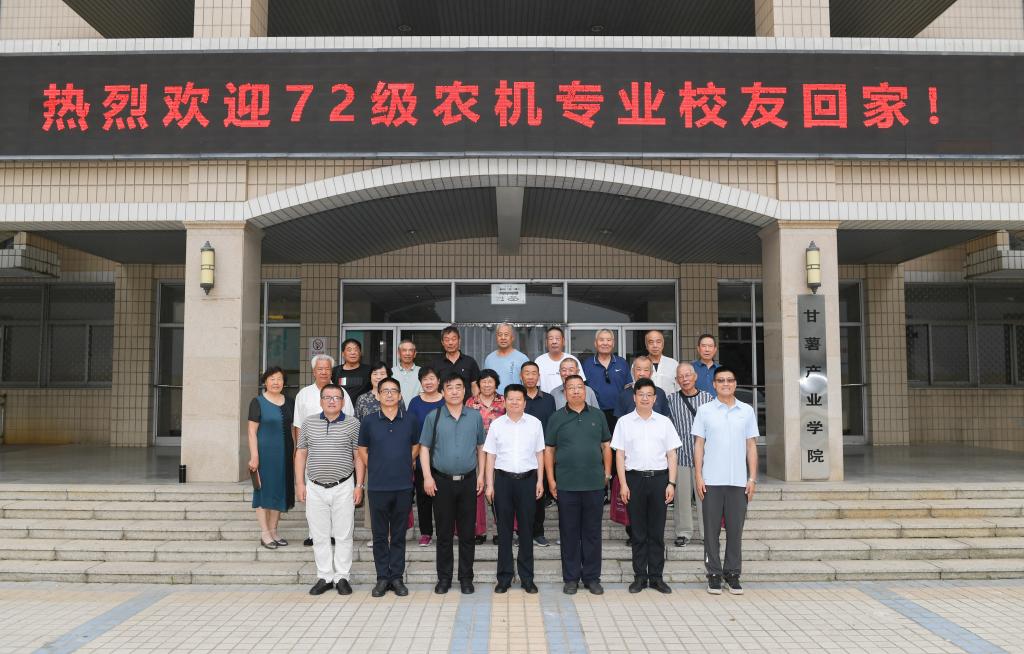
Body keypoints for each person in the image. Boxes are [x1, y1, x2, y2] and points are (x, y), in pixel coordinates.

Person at [692, 366, 759, 596]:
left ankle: (732, 574)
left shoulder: (746, 411)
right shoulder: (705, 411)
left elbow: (751, 446)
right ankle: (713, 574)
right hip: (711, 480)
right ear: (714, 384)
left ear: (735, 383)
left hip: (738, 481)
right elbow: (699, 445)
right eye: (721, 380)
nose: (725, 384)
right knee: (711, 532)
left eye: (730, 380)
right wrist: (698, 475)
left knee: (735, 531)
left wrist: (752, 478)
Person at [418, 372, 486, 595]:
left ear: (465, 391)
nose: (454, 391)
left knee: (467, 533)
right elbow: (424, 448)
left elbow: (480, 447)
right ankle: (444, 578)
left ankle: (466, 578)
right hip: (441, 482)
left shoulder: (474, 416)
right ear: (443, 391)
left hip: (468, 481)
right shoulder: (434, 416)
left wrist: (481, 475)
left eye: (458, 387)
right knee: (444, 533)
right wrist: (427, 477)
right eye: (450, 387)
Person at [612, 378, 681, 594]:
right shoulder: (624, 422)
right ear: (634, 397)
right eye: (641, 394)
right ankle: (640, 577)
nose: (645, 398)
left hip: (659, 480)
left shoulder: (664, 422)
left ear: (655, 398)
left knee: (657, 532)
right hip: (634, 480)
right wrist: (623, 484)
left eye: (649, 395)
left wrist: (671, 483)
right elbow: (619, 455)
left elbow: (672, 455)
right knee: (638, 532)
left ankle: (657, 577)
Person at [545, 375, 612, 596]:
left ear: (585, 391)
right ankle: (571, 578)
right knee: (569, 533)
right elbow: (549, 450)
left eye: (579, 387)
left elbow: (606, 446)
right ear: (564, 392)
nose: (575, 391)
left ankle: (592, 578)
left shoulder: (598, 415)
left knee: (592, 533)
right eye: (571, 388)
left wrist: (607, 474)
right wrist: (551, 480)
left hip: (594, 484)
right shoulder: (556, 417)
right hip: (566, 485)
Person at [295, 384, 364, 596]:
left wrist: (359, 485)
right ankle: (324, 576)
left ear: (343, 402)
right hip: (315, 487)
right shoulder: (309, 423)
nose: (332, 401)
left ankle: (342, 576)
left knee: (344, 534)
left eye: (336, 397)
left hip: (343, 486)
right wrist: (300, 483)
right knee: (319, 535)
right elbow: (301, 453)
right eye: (327, 397)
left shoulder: (353, 423)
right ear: (321, 401)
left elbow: (358, 456)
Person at [357, 376, 419, 598]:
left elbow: (416, 446)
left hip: (403, 486)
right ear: (379, 395)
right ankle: (382, 577)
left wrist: (404, 462)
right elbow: (362, 449)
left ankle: (397, 578)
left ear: (400, 395)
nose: (390, 394)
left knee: (399, 535)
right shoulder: (369, 421)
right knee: (380, 535)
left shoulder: (410, 419)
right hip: (377, 486)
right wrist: (374, 465)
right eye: (385, 391)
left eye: (394, 391)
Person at [484, 384, 545, 594]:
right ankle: (504, 578)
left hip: (528, 481)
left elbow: (540, 454)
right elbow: (490, 456)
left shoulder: (535, 424)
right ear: (505, 401)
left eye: (519, 399)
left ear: (524, 402)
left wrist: (540, 481)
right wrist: (489, 484)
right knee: (504, 532)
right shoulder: (497, 425)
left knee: (527, 530)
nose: (515, 402)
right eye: (510, 399)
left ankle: (527, 578)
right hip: (503, 481)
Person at [294, 354, 353, 547]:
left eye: (327, 368)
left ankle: (335, 534)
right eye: (320, 368)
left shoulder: (342, 393)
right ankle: (314, 534)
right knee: (314, 498)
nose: (323, 372)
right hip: (312, 455)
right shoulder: (303, 394)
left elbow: (351, 423)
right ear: (313, 371)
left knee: (338, 499)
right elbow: (298, 426)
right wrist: (300, 451)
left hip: (339, 456)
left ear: (332, 371)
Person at [666, 361, 714, 547]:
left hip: (706, 458)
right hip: (681, 456)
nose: (684, 379)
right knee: (682, 498)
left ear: (695, 377)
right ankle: (683, 532)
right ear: (676, 380)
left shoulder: (708, 398)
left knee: (705, 497)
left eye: (688, 375)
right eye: (681, 376)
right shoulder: (671, 399)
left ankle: (707, 534)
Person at [246, 367, 295, 549]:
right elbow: (251, 431)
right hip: (265, 455)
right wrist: (254, 456)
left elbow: (293, 429)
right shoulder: (257, 402)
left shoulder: (290, 402)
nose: (276, 382)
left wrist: (295, 453)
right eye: (272, 378)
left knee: (279, 491)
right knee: (263, 492)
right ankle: (265, 533)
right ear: (265, 382)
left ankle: (274, 531)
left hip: (285, 454)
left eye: (279, 379)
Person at [355, 362, 393, 545]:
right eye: (375, 373)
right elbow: (358, 427)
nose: (379, 377)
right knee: (374, 496)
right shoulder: (363, 399)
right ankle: (376, 534)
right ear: (370, 377)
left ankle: (391, 533)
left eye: (382, 373)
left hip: (394, 454)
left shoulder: (395, 396)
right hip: (370, 454)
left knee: (393, 494)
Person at [466, 369, 505, 545]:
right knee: (478, 491)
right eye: (484, 381)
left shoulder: (504, 401)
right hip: (476, 452)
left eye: (490, 381)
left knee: (500, 492)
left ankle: (500, 530)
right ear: (479, 384)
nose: (487, 385)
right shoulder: (470, 402)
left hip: (501, 453)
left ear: (496, 383)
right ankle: (479, 531)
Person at [407, 366, 444, 547]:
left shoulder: (446, 400)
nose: (428, 382)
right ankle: (426, 533)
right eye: (425, 379)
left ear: (438, 381)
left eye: (432, 378)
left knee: (443, 498)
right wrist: (412, 457)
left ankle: (444, 532)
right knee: (423, 498)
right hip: (421, 457)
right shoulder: (415, 403)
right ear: (421, 382)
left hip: (444, 457)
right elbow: (410, 431)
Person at [520, 361, 555, 547]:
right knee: (520, 497)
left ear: (539, 376)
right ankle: (521, 533)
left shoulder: (548, 399)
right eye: (527, 373)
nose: (530, 376)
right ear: (521, 376)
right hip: (520, 453)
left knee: (539, 496)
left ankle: (538, 532)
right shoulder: (517, 397)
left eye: (534, 373)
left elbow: (552, 425)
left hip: (542, 452)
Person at [581, 329, 632, 432]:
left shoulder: (622, 363)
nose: (605, 343)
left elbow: (628, 387)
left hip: (619, 413)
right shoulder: (587, 364)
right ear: (595, 343)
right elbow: (583, 388)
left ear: (613, 343)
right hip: (594, 412)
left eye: (608, 340)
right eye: (601, 340)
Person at [432, 325, 481, 398]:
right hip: (443, 404)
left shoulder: (470, 362)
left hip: (465, 404)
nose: (450, 343)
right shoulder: (436, 363)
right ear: (442, 342)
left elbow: (474, 385)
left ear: (459, 341)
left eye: (454, 339)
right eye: (447, 340)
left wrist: (475, 401)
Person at [535, 325, 583, 393]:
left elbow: (581, 384)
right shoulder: (539, 361)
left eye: (557, 338)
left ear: (563, 341)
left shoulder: (572, 359)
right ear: (546, 342)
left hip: (570, 398)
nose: (554, 342)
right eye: (551, 339)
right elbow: (536, 386)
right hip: (547, 399)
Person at [483, 323, 530, 393]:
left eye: (506, 334)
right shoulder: (489, 359)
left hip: (515, 398)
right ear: (496, 337)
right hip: (494, 399)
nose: (503, 338)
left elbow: (528, 384)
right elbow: (485, 381)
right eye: (500, 335)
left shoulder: (522, 358)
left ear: (512, 337)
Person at [645, 329, 680, 395]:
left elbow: (679, 388)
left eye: (658, 342)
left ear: (663, 344)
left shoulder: (673, 364)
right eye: (651, 342)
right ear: (646, 345)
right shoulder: (639, 365)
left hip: (669, 401)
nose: (655, 345)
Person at [393, 339, 422, 407]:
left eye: (410, 350)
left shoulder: (422, 372)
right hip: (395, 411)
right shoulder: (391, 372)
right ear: (398, 353)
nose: (407, 353)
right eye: (404, 350)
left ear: (415, 354)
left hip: (417, 411)